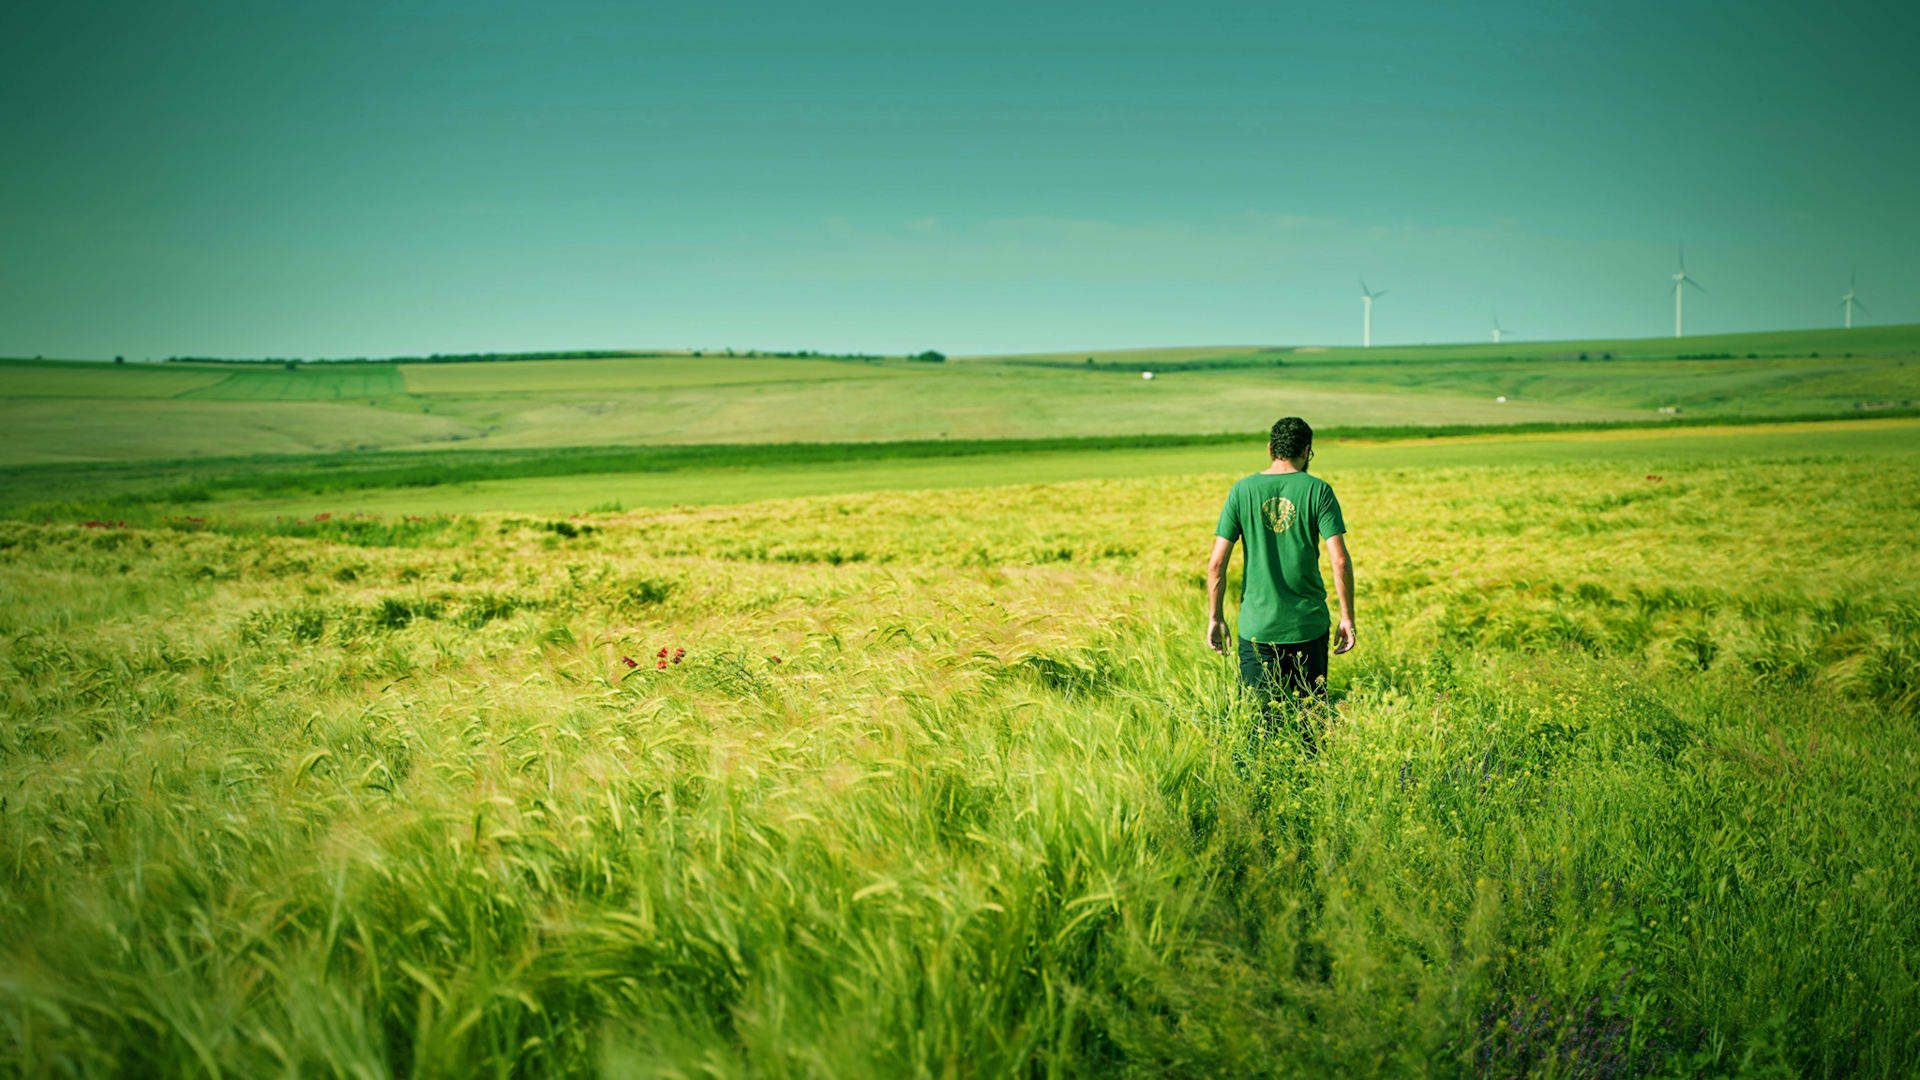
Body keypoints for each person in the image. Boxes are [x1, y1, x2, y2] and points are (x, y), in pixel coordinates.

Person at [1206, 417, 1355, 724]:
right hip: (1308, 627)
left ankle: (1256, 773)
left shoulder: (1241, 490)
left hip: (1257, 629)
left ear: (1270, 448)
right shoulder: (1319, 490)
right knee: (1309, 723)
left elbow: (1217, 564)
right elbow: (1339, 560)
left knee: (1258, 725)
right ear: (1306, 450)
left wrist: (1215, 617)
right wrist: (1347, 616)